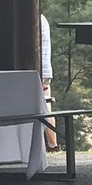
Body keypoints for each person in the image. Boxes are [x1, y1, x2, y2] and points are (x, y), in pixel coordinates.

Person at [39, 13, 57, 152]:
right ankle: (52, 145)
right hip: (45, 70)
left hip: (39, 71)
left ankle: (51, 145)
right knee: (46, 109)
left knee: (45, 110)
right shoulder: (43, 19)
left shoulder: (34, 20)